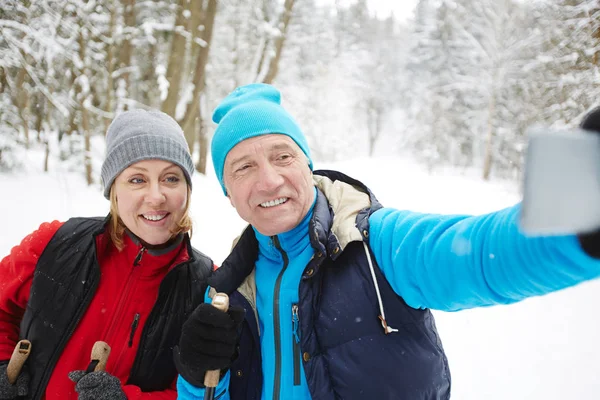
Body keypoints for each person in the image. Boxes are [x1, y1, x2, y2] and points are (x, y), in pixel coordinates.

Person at [173, 83, 600, 400]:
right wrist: (193, 377)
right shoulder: (226, 291)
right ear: (228, 193)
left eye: (283, 155)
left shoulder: (376, 243)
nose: (269, 179)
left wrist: (577, 222)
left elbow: (478, 256)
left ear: (308, 164)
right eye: (243, 167)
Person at [0, 109, 214, 400]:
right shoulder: (56, 244)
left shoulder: (207, 285)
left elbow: (206, 391)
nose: (156, 196)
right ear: (114, 189)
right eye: (137, 180)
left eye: (171, 179)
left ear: (187, 189)